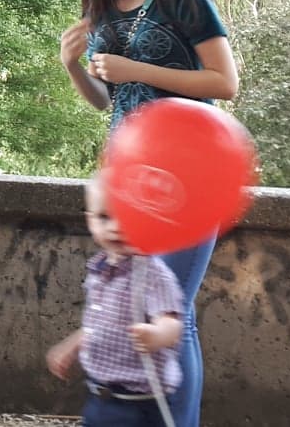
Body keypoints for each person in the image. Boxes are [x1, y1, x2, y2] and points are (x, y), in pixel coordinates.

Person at [59, 0, 238, 427]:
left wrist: (134, 68)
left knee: (173, 312)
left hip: (189, 174)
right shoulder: (100, 7)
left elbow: (225, 82)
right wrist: (73, 66)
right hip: (129, 178)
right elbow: (107, 99)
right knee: (140, 306)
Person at [47, 171, 185, 426]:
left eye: (129, 217)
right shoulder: (100, 270)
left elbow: (172, 324)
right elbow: (99, 323)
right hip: (100, 394)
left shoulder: (152, 274)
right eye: (104, 217)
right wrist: (72, 345)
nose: (116, 227)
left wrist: (157, 335)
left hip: (140, 403)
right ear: (90, 220)